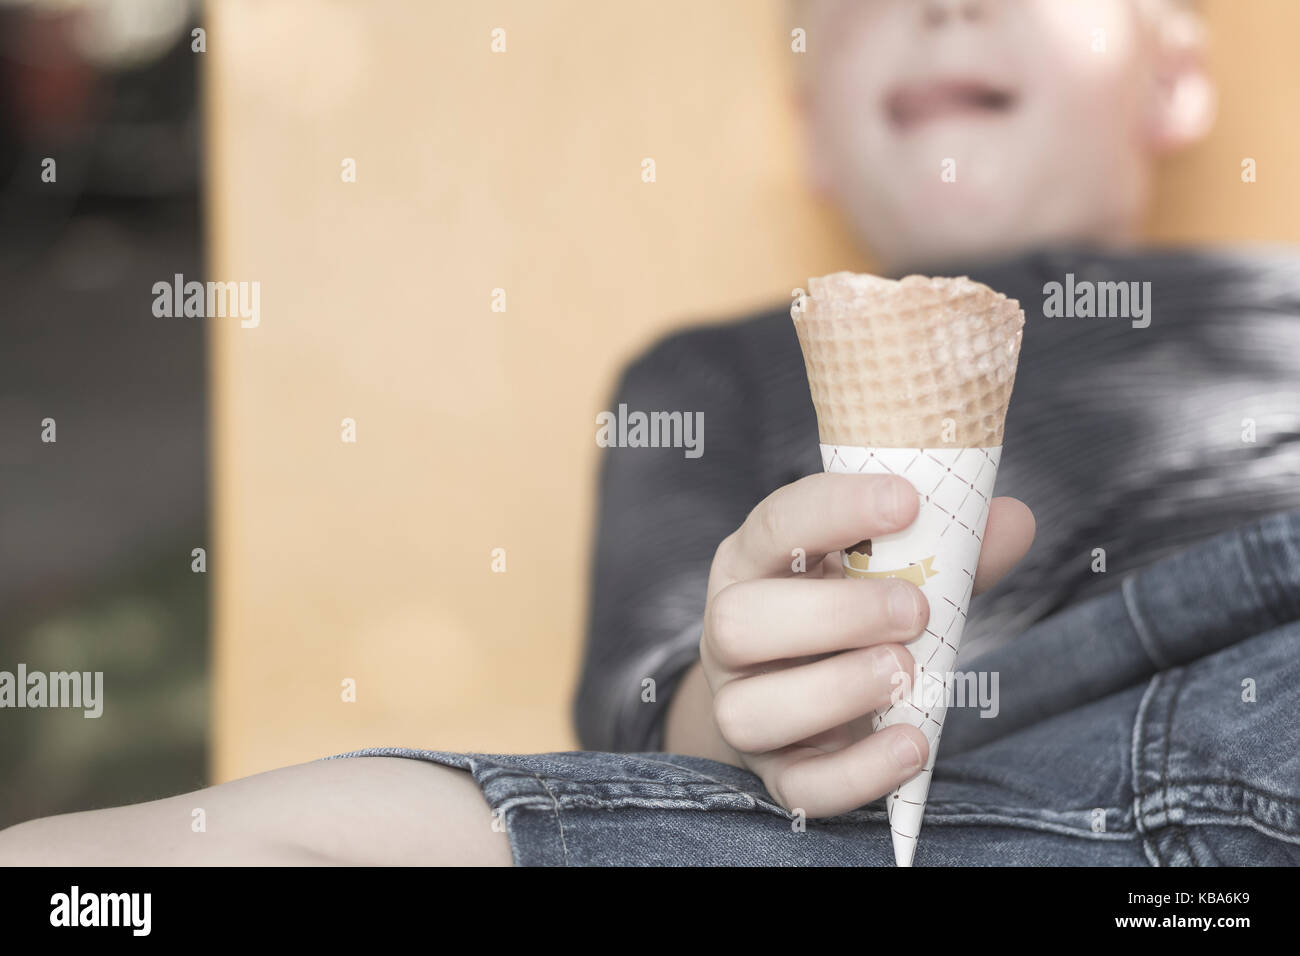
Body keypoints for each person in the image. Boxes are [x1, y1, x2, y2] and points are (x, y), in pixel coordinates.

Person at [4, 0, 1299, 866]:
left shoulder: (1279, 293)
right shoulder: (715, 370)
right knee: (243, 840)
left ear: (1173, 80)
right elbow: (646, 721)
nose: (938, 2)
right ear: (816, 143)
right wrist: (742, 709)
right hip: (933, 820)